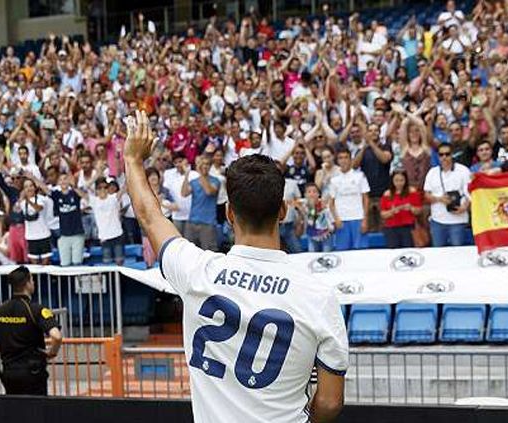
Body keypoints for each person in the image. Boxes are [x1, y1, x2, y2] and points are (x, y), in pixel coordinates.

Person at [124, 112, 346, 423]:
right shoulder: (318, 296)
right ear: (283, 211)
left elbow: (149, 216)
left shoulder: (197, 271)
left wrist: (133, 159)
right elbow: (331, 402)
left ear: (229, 213)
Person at [0, 266, 62, 396]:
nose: (33, 283)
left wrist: (12, 354)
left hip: (9, 372)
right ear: (27, 283)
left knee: (15, 412)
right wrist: (52, 353)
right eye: (32, 280)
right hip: (33, 372)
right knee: (36, 411)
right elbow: (56, 336)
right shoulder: (36, 310)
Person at [423, 143, 471, 247]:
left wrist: (464, 207)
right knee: (438, 254)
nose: (444, 157)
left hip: (458, 220)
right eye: (441, 154)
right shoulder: (432, 172)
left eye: (447, 154)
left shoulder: (463, 170)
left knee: (457, 253)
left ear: (452, 155)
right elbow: (426, 194)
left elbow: (469, 193)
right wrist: (439, 199)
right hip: (437, 220)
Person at [329, 149, 370, 250]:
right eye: (340, 158)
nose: (343, 160)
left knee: (360, 251)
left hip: (358, 218)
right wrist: (336, 219)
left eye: (346, 157)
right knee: (343, 253)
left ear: (351, 159)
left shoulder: (360, 176)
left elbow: (366, 199)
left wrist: (365, 220)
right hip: (342, 220)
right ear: (337, 161)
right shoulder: (334, 180)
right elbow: (331, 203)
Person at [181, 155, 220, 251]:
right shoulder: (194, 181)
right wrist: (186, 175)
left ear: (210, 166)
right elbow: (184, 193)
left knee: (209, 253)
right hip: (192, 223)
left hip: (208, 224)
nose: (204, 166)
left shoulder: (216, 181)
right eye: (202, 164)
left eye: (207, 164)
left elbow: (209, 191)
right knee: (189, 252)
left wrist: (200, 173)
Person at [380, 170, 422, 249]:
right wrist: (392, 212)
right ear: (392, 181)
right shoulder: (387, 194)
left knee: (408, 251)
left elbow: (419, 210)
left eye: (401, 180)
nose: (399, 183)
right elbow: (383, 214)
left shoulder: (412, 192)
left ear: (405, 180)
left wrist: (411, 208)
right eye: (396, 180)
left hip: (408, 228)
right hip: (391, 228)